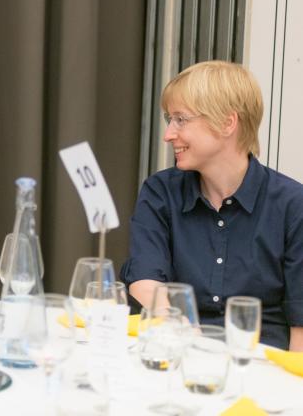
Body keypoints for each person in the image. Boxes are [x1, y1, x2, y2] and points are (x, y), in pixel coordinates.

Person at [121, 60, 303, 351]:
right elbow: (145, 282)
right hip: (179, 354)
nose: (168, 134)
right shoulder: (160, 192)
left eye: (181, 119)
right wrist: (190, 344)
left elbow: (301, 328)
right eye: (170, 119)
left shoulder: (293, 206)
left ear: (227, 123)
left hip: (259, 370)